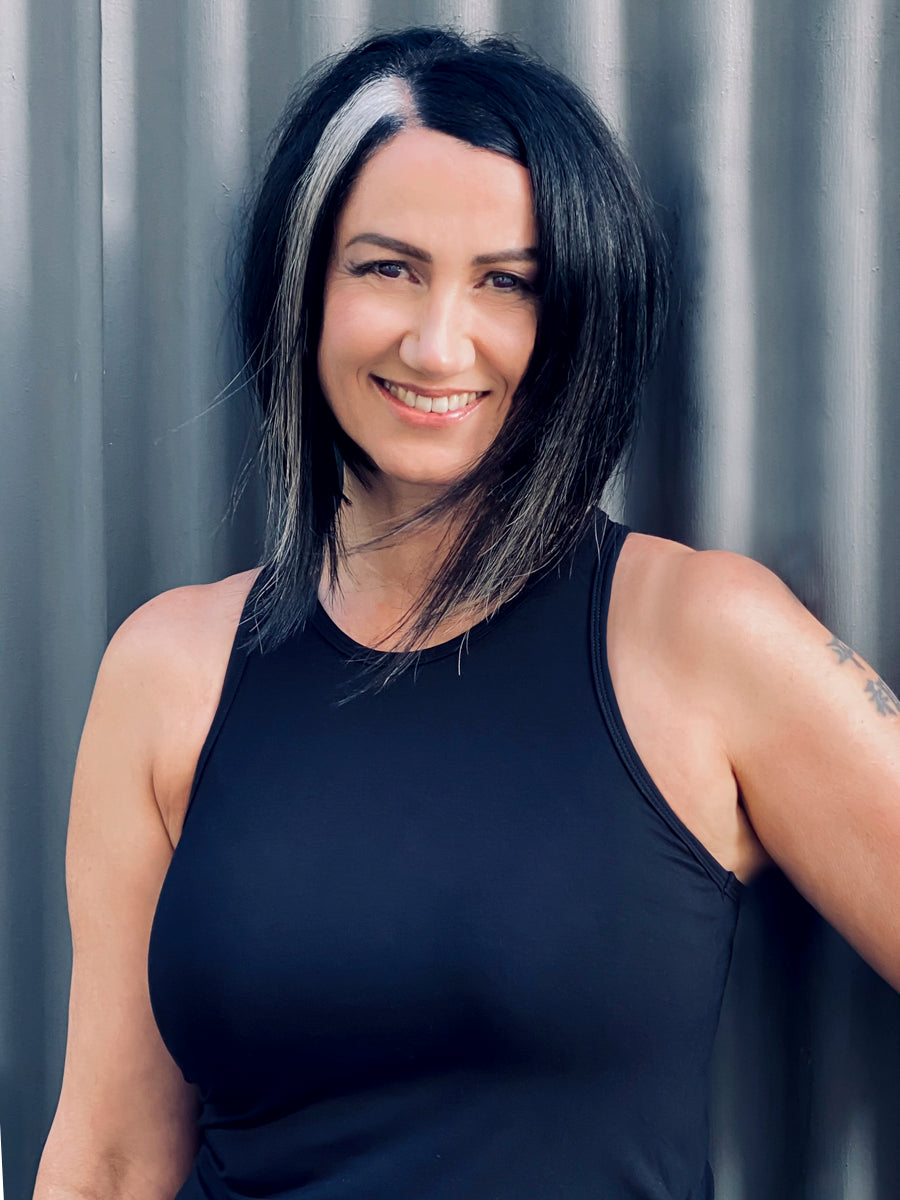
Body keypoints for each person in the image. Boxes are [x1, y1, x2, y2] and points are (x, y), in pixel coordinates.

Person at [34, 26, 900, 1200]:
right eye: (387, 267)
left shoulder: (700, 636)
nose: (440, 343)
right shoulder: (168, 668)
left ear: (576, 314)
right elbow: (115, 1156)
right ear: (303, 289)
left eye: (507, 282)